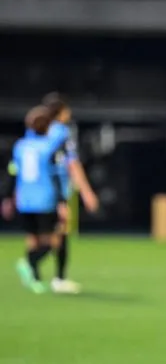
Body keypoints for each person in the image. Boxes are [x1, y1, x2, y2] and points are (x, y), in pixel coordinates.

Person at [1, 107, 68, 294]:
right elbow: (55, 176)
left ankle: (35, 279)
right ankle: (29, 263)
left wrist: (8, 198)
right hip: (45, 199)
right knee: (53, 240)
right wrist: (62, 202)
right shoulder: (50, 147)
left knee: (33, 239)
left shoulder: (20, 147)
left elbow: (13, 173)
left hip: (25, 200)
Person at [41, 93, 100, 294]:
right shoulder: (62, 133)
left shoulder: (40, 131)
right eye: (67, 110)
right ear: (60, 112)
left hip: (36, 188)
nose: (70, 114)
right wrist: (87, 192)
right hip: (57, 188)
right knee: (60, 231)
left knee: (45, 231)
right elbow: (72, 163)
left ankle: (39, 270)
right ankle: (51, 274)